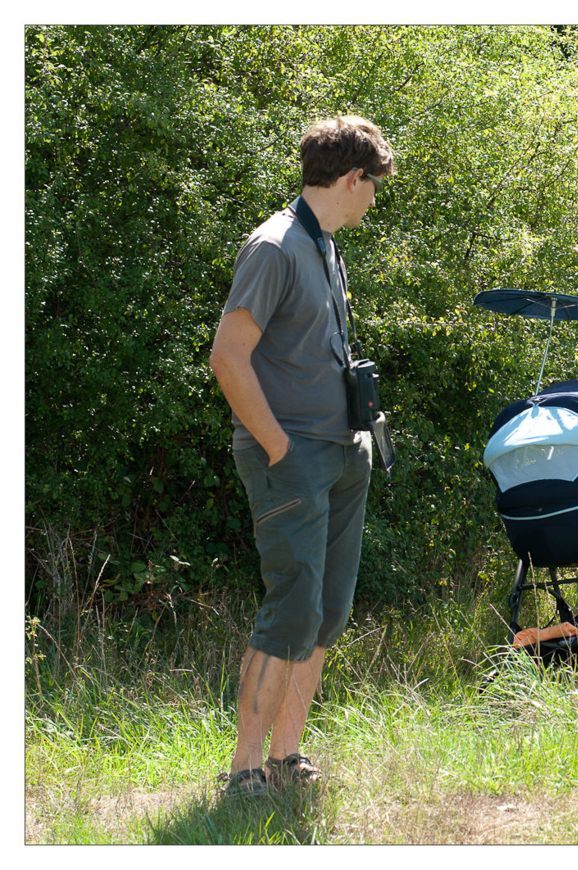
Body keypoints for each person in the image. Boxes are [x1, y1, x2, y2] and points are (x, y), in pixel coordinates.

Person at [209, 115, 394, 797]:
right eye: (373, 185)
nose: (373, 198)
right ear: (352, 178)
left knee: (325, 614)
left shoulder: (324, 245)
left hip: (343, 452)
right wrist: (279, 447)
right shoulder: (275, 246)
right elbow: (228, 358)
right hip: (292, 458)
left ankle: (287, 755)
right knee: (290, 611)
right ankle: (244, 769)